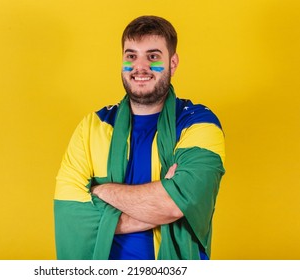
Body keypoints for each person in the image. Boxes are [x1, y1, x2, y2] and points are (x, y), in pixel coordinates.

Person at [54, 15, 225, 260]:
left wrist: (100, 191)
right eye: (131, 56)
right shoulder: (91, 127)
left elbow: (174, 204)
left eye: (153, 56)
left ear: (173, 63)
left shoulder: (198, 124)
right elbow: (69, 214)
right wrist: (160, 200)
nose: (140, 67)